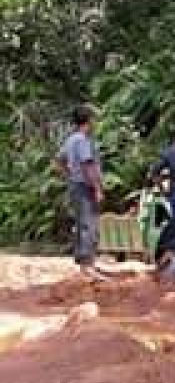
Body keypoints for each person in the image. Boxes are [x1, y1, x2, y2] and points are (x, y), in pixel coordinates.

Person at [55, 106, 106, 279]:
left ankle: (85, 263)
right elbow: (87, 165)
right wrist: (97, 188)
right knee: (88, 224)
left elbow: (59, 161)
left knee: (82, 222)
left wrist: (70, 176)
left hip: (76, 185)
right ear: (88, 121)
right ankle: (87, 265)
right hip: (85, 186)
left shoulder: (71, 139)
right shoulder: (82, 140)